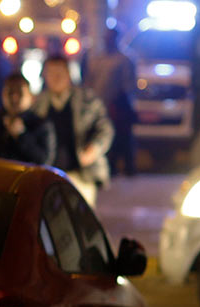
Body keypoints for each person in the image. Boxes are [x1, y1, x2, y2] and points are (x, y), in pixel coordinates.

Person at [33, 53, 113, 205]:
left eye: (60, 73)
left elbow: (105, 128)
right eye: (50, 73)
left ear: (68, 74)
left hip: (81, 175)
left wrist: (94, 148)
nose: (55, 78)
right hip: (47, 176)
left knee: (81, 223)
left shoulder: (87, 99)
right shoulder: (38, 104)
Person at [84, 27, 138, 176]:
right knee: (104, 136)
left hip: (119, 106)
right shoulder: (97, 59)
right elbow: (89, 82)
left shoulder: (124, 60)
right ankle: (110, 168)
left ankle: (129, 168)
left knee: (124, 138)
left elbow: (129, 84)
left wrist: (121, 102)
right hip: (100, 106)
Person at [0, 72, 55, 165]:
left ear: (31, 97)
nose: (14, 97)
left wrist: (21, 135)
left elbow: (45, 161)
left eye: (19, 92)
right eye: (10, 92)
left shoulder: (41, 125)